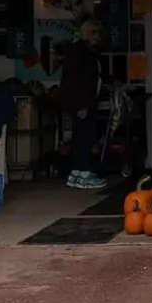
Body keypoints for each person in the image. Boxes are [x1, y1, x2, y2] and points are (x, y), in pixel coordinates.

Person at [59, 20, 107, 190]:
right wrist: (82, 104)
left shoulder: (84, 51)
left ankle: (76, 173)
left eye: (99, 33)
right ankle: (84, 173)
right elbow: (78, 81)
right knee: (84, 136)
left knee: (80, 135)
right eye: (94, 32)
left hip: (81, 101)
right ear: (86, 33)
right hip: (81, 102)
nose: (97, 37)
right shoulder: (80, 52)